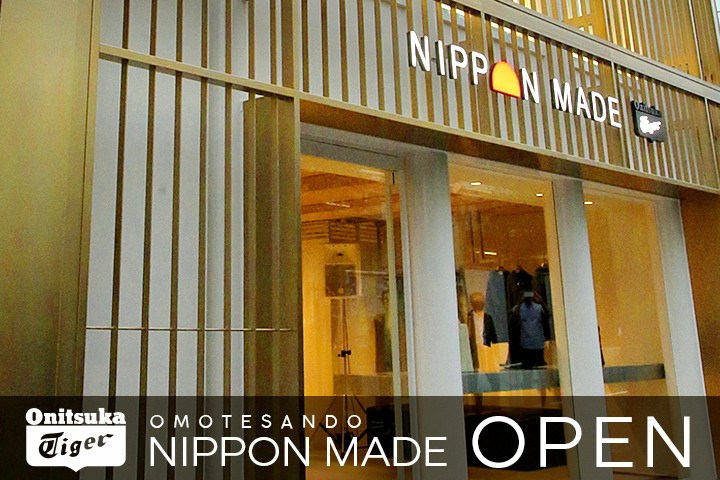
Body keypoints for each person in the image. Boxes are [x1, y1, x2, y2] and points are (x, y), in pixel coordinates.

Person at [465, 292, 498, 371]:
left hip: (486, 349)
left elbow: (493, 335)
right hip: (474, 350)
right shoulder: (469, 317)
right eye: (476, 303)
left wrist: (495, 350)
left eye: (480, 303)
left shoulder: (488, 318)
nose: (479, 305)